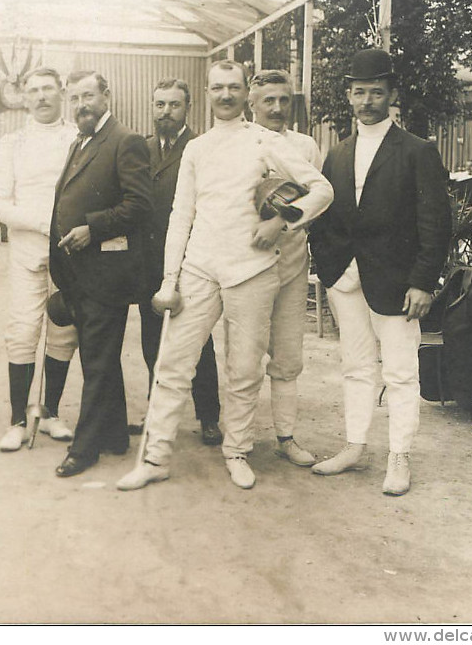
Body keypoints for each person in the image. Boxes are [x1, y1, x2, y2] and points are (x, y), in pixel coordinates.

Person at [117, 60, 333, 492]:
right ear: (209, 93)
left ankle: (237, 451)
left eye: (234, 88)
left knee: (244, 368)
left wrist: (281, 223)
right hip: (200, 267)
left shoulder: (265, 141)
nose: (227, 96)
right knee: (174, 363)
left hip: (252, 270)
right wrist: (168, 279)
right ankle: (156, 456)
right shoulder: (197, 148)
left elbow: (322, 190)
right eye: (219, 88)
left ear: (244, 94)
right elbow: (182, 214)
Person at [308, 48, 452, 496]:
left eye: (375, 92)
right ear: (349, 97)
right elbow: (326, 215)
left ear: (392, 96)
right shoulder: (338, 152)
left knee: (401, 371)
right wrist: (329, 268)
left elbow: (436, 221)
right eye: (358, 92)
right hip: (345, 279)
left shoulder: (417, 151)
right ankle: (354, 447)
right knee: (355, 367)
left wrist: (423, 281)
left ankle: (399, 456)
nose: (366, 100)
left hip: (397, 282)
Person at [50, 70, 153, 478]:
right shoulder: (82, 141)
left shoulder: (124, 141)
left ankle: (85, 447)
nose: (81, 106)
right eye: (74, 99)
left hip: (107, 272)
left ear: (107, 96)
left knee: (96, 359)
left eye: (88, 96)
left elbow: (139, 205)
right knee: (102, 357)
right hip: (80, 271)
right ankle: (113, 435)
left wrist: (93, 228)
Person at [0, 67, 78, 452]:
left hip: (71, 251)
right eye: (33, 91)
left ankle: (52, 412)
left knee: (63, 329)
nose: (41, 97)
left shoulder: (79, 138)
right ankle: (17, 420)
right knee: (23, 330)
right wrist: (43, 222)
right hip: (27, 250)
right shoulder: (11, 143)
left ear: (62, 93)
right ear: (24, 98)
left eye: (48, 89)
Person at [138, 78, 222, 446]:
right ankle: (156, 411)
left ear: (187, 108)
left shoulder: (201, 148)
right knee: (151, 341)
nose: (166, 112)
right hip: (148, 262)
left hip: (191, 261)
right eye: (160, 105)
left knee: (198, 343)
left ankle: (208, 416)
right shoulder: (140, 150)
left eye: (174, 105)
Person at [247, 69, 323, 468]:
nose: (277, 108)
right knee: (243, 355)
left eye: (284, 100)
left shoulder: (306, 146)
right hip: (248, 264)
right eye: (268, 101)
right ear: (252, 104)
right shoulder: (242, 142)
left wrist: (285, 219)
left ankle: (285, 436)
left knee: (289, 355)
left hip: (292, 261)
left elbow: (317, 200)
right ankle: (237, 439)